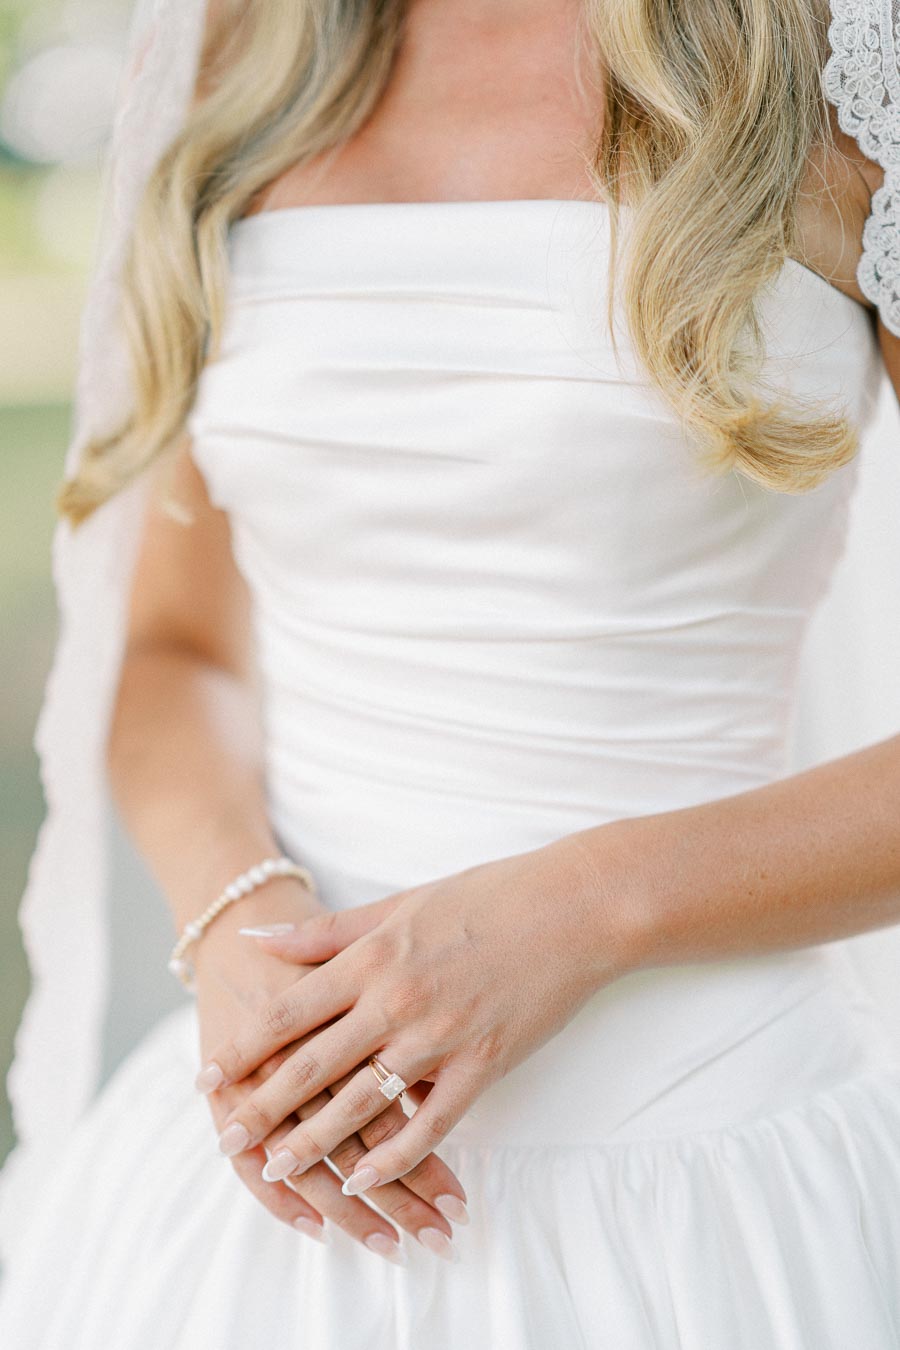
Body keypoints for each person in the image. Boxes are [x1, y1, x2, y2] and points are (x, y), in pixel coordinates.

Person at [1, 0, 900, 1344]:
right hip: (269, 1159)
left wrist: (579, 910)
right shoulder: (233, 56)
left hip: (703, 1177)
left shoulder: (835, 64)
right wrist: (239, 926)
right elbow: (176, 646)